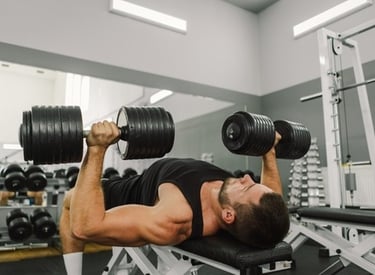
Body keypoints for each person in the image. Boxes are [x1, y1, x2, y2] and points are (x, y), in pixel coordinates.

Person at [60, 121, 290, 275]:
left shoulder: (174, 218)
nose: (249, 178)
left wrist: (97, 148)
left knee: (70, 201)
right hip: (154, 176)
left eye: (248, 188)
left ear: (229, 215)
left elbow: (85, 227)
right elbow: (272, 199)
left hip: (129, 190)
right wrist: (268, 152)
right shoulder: (240, 204)